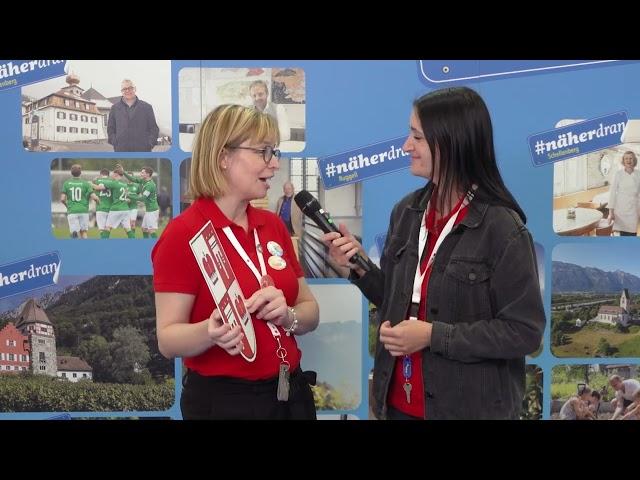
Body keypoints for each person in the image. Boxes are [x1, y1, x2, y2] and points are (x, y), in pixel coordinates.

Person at [322, 87, 545, 420]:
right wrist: (357, 267)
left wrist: (432, 336)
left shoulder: (502, 229)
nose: (405, 146)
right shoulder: (407, 212)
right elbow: (397, 298)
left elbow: (524, 332)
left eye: (417, 137)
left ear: (451, 143)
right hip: (397, 405)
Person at [152, 104, 319, 420]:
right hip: (225, 402)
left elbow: (310, 312)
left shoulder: (272, 225)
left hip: (292, 393)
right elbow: (167, 341)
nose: (273, 164)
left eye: (275, 152)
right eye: (263, 152)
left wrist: (288, 315)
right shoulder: (184, 234)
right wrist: (209, 333)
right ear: (223, 157)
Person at [107, 79, 160, 152]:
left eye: (130, 88)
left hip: (143, 150)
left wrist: (149, 143)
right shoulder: (114, 108)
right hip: (121, 150)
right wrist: (115, 142)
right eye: (124, 89)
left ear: (135, 89)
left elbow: (154, 128)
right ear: (121, 91)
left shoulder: (147, 107)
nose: (127, 91)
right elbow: (110, 129)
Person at [60, 164, 100, 239]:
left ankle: (74, 235)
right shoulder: (86, 183)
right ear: (80, 172)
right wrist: (98, 201)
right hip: (83, 211)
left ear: (71, 173)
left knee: (74, 232)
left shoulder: (66, 183)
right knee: (84, 232)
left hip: (72, 210)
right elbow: (94, 197)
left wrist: (67, 206)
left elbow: (62, 199)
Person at [121, 166, 160, 239]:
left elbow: (142, 198)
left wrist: (128, 195)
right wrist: (123, 172)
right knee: (144, 229)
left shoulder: (150, 185)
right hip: (149, 210)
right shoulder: (143, 181)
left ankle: (158, 246)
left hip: (152, 210)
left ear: (148, 174)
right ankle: (146, 244)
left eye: (142, 173)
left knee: (151, 230)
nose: (140, 174)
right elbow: (133, 179)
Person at [608, 151, 640, 236]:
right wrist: (610, 212)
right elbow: (612, 193)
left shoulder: (638, 174)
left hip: (634, 209)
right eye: (626, 158)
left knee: (633, 233)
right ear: (623, 160)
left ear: (634, 160)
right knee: (623, 234)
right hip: (621, 209)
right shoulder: (618, 174)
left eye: (631, 158)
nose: (628, 160)